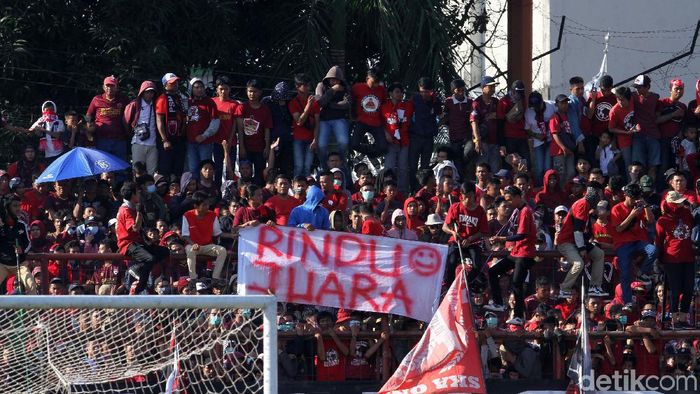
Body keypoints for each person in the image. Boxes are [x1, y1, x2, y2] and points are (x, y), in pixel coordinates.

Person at [485, 186, 537, 319]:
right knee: (493, 271)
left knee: (517, 284)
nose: (508, 203)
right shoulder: (519, 211)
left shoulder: (525, 211)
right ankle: (498, 302)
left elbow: (522, 235)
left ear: (517, 197)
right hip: (517, 252)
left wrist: (500, 238)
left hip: (525, 253)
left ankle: (519, 316)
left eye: (510, 200)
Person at [555, 183, 608, 298]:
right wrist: (582, 248)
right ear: (594, 192)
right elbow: (577, 230)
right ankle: (565, 288)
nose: (600, 197)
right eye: (599, 193)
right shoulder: (583, 204)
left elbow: (585, 231)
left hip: (576, 241)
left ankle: (595, 287)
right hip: (566, 241)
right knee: (579, 264)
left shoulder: (587, 206)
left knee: (599, 254)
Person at [115, 182, 169, 295]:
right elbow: (135, 228)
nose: (140, 194)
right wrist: (139, 212)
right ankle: (141, 285)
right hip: (128, 244)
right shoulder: (126, 210)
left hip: (138, 242)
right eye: (137, 192)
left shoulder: (131, 208)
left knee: (164, 251)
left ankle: (138, 268)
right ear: (132, 195)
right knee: (150, 259)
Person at [610, 183, 657, 307]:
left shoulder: (638, 205)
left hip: (637, 242)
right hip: (623, 244)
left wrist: (645, 205)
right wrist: (632, 215)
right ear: (625, 195)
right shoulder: (617, 208)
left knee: (653, 250)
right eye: (631, 197)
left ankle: (641, 274)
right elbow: (619, 228)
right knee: (625, 274)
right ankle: (628, 302)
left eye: (636, 197)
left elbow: (651, 221)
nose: (633, 200)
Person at [655, 191, 694, 329]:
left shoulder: (687, 214)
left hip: (688, 257)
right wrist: (658, 260)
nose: (680, 205)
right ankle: (674, 319)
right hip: (671, 259)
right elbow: (658, 241)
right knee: (675, 290)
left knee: (689, 289)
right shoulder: (662, 220)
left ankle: (683, 318)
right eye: (677, 203)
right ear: (670, 204)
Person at [443, 181, 488, 288]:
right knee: (451, 261)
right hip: (456, 241)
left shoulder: (480, 211)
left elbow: (483, 231)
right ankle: (448, 285)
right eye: (465, 197)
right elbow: (445, 227)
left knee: (478, 264)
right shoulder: (455, 207)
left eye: (470, 197)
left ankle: (465, 283)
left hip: (472, 242)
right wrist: (453, 232)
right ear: (461, 196)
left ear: (474, 195)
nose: (467, 200)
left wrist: (471, 238)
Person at [181, 191, 227, 283]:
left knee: (222, 251)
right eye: (204, 205)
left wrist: (232, 236)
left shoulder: (212, 215)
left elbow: (217, 233)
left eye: (207, 204)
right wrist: (193, 244)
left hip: (207, 245)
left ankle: (215, 278)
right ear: (196, 206)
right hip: (192, 245)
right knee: (190, 251)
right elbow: (185, 235)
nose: (207, 207)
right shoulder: (187, 215)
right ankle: (193, 279)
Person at [408, 77, 442, 190]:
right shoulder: (414, 100)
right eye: (422, 91)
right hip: (415, 137)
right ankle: (412, 189)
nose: (424, 94)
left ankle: (423, 190)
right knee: (412, 166)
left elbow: (440, 115)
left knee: (425, 166)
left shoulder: (436, 101)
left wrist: (435, 127)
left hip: (428, 138)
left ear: (431, 91)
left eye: (426, 91)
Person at [315, 66, 351, 172]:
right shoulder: (321, 86)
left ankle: (341, 164)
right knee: (321, 145)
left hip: (339, 119)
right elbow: (320, 102)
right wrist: (333, 90)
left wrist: (331, 105)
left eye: (336, 79)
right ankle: (324, 167)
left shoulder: (345, 87)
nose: (333, 81)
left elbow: (347, 103)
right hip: (323, 120)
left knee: (343, 142)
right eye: (331, 79)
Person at [85, 75, 130, 160]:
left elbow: (130, 114)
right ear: (103, 87)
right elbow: (88, 115)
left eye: (112, 86)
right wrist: (90, 125)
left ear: (116, 87)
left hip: (119, 139)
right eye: (107, 85)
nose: (110, 88)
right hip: (102, 139)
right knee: (103, 166)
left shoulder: (123, 99)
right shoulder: (97, 99)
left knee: (120, 167)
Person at [237, 79, 273, 184]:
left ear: (260, 92)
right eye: (250, 91)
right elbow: (240, 129)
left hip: (260, 147)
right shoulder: (242, 107)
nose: (252, 94)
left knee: (259, 174)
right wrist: (242, 147)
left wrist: (267, 146)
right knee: (245, 173)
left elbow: (267, 129)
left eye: (255, 91)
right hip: (246, 147)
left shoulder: (265, 110)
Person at [0, 196, 38, 294]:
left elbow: (28, 243)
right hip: (2, 264)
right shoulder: (1, 225)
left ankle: (33, 309)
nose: (18, 209)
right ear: (7, 207)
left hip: (20, 264)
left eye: (19, 206)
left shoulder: (22, 225)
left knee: (31, 285)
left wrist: (22, 250)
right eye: (15, 206)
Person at [381, 83, 413, 193]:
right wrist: (385, 133)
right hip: (390, 141)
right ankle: (387, 192)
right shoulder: (384, 106)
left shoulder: (407, 106)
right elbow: (379, 122)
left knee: (403, 169)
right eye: (397, 92)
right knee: (389, 168)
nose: (400, 94)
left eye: (401, 92)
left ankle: (403, 194)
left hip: (404, 141)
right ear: (390, 93)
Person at [155, 73, 187, 180]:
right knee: (165, 171)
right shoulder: (162, 99)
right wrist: (164, 140)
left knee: (178, 171)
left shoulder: (179, 98)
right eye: (171, 83)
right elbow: (159, 120)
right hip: (168, 140)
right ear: (165, 85)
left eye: (176, 82)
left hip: (180, 139)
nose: (175, 84)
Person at [631, 75, 661, 185]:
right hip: (638, 135)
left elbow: (658, 116)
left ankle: (650, 189)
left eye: (639, 87)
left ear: (648, 86)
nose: (637, 90)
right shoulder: (632, 96)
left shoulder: (655, 98)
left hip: (653, 135)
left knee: (653, 166)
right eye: (636, 87)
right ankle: (637, 189)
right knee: (638, 166)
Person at [185, 78, 220, 174]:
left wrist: (205, 135)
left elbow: (215, 121)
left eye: (201, 87)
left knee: (205, 170)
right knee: (192, 169)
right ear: (191, 89)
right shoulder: (187, 102)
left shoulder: (209, 102)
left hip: (205, 142)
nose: (199, 89)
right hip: (190, 142)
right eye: (196, 87)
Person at [289, 73, 320, 177]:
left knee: (307, 167)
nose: (308, 88)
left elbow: (317, 123)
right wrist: (308, 106)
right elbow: (299, 121)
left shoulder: (314, 103)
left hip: (310, 139)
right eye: (305, 85)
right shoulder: (293, 103)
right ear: (298, 87)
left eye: (308, 85)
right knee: (298, 166)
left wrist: (315, 140)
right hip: (298, 138)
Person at [351, 68, 387, 158]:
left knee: (383, 147)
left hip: (376, 122)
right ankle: (369, 150)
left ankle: (372, 154)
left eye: (377, 82)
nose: (376, 85)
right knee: (354, 144)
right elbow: (350, 100)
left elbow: (384, 104)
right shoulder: (357, 87)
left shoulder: (381, 89)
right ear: (368, 78)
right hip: (362, 121)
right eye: (374, 82)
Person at [124, 80, 158, 174]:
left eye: (152, 92)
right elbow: (126, 121)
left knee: (152, 172)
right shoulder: (134, 104)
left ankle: (151, 189)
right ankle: (138, 188)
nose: (149, 94)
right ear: (142, 92)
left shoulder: (156, 105)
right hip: (138, 143)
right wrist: (130, 133)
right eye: (147, 92)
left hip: (153, 144)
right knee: (137, 171)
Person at [212, 76, 240, 183]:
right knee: (217, 169)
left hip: (231, 142)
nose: (223, 91)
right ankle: (217, 193)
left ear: (230, 89)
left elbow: (235, 125)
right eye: (221, 89)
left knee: (230, 169)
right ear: (217, 90)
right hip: (216, 142)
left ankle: (230, 194)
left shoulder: (235, 104)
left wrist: (229, 140)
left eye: (226, 89)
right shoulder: (212, 102)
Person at [471, 76, 501, 173]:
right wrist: (477, 140)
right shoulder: (477, 103)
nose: (493, 89)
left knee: (495, 170)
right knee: (482, 169)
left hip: (495, 141)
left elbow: (502, 118)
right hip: (483, 142)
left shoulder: (496, 102)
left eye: (494, 87)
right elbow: (473, 122)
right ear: (483, 87)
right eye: (490, 87)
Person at [657, 79, 686, 175]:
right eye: (676, 88)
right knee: (664, 166)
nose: (679, 91)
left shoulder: (683, 106)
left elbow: (683, 124)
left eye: (681, 89)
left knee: (677, 166)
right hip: (663, 139)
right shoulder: (662, 102)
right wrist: (673, 114)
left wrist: (680, 135)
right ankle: (662, 188)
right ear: (670, 89)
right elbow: (656, 120)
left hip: (676, 141)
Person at [442, 79, 472, 175]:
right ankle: (460, 180)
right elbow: (445, 117)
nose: (461, 93)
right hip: (454, 137)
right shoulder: (449, 102)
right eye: (458, 90)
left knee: (468, 154)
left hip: (467, 136)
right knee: (457, 159)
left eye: (463, 90)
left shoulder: (470, 102)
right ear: (453, 91)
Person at [524, 91, 555, 186]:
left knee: (547, 167)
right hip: (538, 141)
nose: (536, 108)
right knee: (539, 168)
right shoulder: (529, 112)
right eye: (534, 107)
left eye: (538, 106)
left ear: (542, 102)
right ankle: (539, 186)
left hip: (551, 139)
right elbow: (527, 129)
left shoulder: (551, 106)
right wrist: (537, 136)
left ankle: (548, 187)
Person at [585, 75, 616, 164]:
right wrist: (593, 99)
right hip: (596, 134)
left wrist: (613, 139)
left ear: (611, 87)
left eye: (608, 90)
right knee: (595, 160)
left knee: (609, 161)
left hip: (609, 136)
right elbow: (589, 115)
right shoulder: (595, 96)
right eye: (603, 90)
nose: (605, 92)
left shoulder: (614, 98)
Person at [497, 80, 529, 163]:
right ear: (513, 91)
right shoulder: (503, 102)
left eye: (521, 92)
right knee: (509, 163)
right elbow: (500, 123)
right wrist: (502, 144)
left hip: (522, 136)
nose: (519, 94)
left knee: (525, 162)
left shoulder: (523, 100)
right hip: (509, 137)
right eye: (517, 92)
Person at [549, 94, 576, 185]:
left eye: (566, 102)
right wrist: (563, 148)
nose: (565, 105)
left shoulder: (569, 115)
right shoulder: (555, 117)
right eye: (562, 103)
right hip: (559, 150)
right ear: (557, 104)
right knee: (559, 174)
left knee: (571, 172)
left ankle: (567, 192)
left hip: (570, 148)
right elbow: (554, 134)